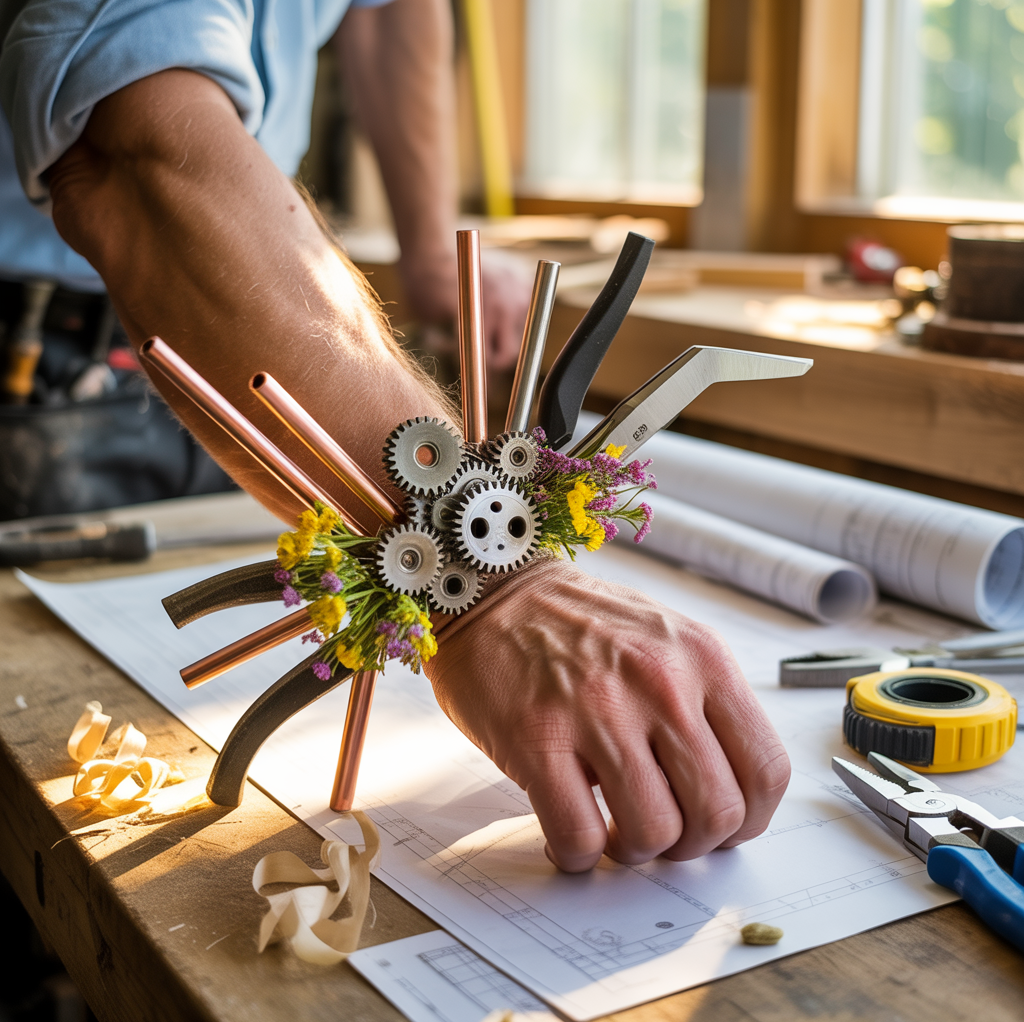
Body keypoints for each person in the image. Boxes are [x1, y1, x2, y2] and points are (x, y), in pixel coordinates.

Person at [0, 0, 790, 872]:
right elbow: (129, 151)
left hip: (244, 334)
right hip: (48, 359)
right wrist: (499, 586)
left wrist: (427, 239)